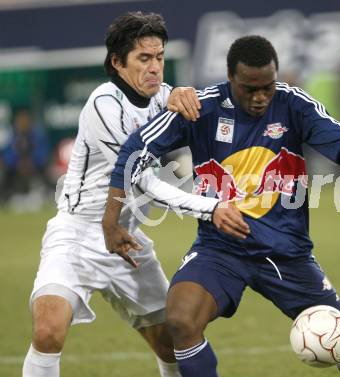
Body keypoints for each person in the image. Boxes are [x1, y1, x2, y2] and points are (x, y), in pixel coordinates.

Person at [103, 36, 340, 377]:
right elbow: (136, 149)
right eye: (249, 89)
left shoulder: (292, 104)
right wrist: (111, 220)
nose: (259, 97)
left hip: (285, 250)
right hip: (220, 249)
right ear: (229, 78)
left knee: (338, 340)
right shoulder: (202, 109)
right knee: (180, 322)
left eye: (267, 87)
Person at [23, 12, 247, 377]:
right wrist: (211, 208)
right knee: (48, 331)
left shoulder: (163, 97)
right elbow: (140, 181)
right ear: (117, 62)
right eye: (144, 59)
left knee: (172, 342)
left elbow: (198, 116)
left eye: (159, 57)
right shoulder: (103, 105)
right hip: (78, 235)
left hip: (129, 240)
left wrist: (182, 94)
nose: (155, 67)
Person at [0, 108, 51, 204]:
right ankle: (5, 196)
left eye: (25, 121)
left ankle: (47, 193)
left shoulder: (38, 135)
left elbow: (43, 154)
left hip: (35, 167)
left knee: (46, 170)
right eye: (20, 121)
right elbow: (6, 155)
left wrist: (31, 161)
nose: (22, 124)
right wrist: (17, 162)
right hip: (16, 168)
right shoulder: (12, 136)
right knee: (5, 172)